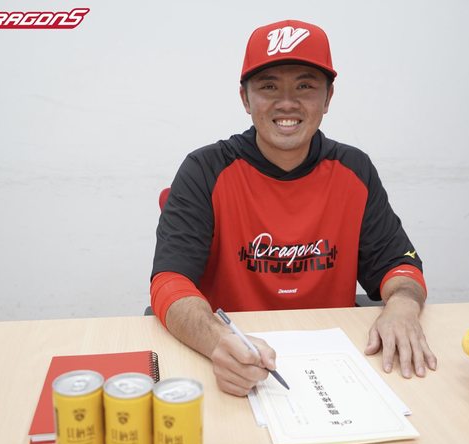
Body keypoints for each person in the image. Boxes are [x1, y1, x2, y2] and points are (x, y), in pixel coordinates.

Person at [151, 19, 437, 396]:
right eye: (269, 86)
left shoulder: (355, 169)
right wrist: (217, 341)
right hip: (232, 359)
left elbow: (399, 266)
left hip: (334, 363)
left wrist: (402, 306)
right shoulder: (204, 169)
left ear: (328, 98)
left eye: (305, 86)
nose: (287, 103)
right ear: (245, 99)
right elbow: (169, 281)